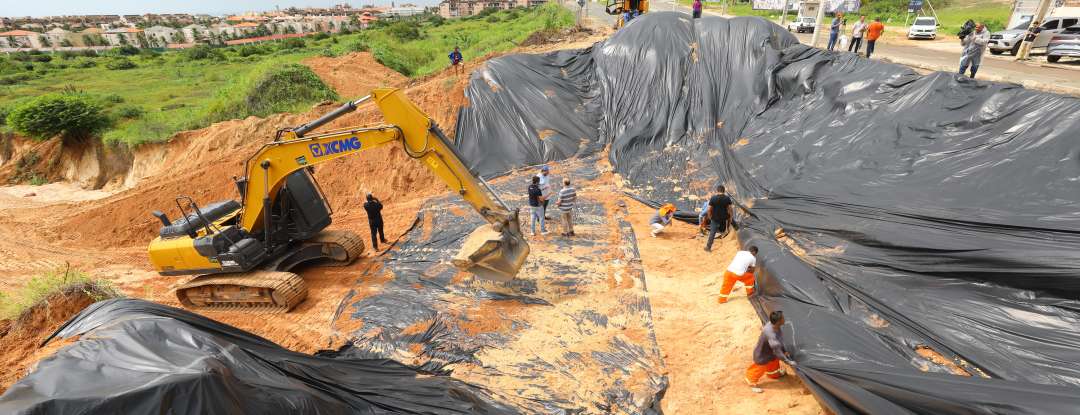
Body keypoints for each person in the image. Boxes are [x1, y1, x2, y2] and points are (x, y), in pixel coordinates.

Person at [745, 310, 796, 393]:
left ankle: (773, 374)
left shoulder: (773, 325)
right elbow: (778, 352)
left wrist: (784, 350)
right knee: (758, 369)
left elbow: (780, 342)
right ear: (778, 322)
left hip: (771, 353)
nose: (784, 319)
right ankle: (751, 382)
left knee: (773, 364)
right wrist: (788, 361)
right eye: (783, 318)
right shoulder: (771, 335)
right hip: (762, 355)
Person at [703, 185, 733, 252]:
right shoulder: (727, 198)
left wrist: (710, 216)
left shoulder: (713, 198)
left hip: (715, 218)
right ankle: (727, 248)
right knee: (725, 231)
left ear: (717, 190)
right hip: (724, 218)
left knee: (712, 233)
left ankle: (708, 247)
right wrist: (730, 217)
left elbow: (709, 209)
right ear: (724, 191)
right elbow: (730, 209)